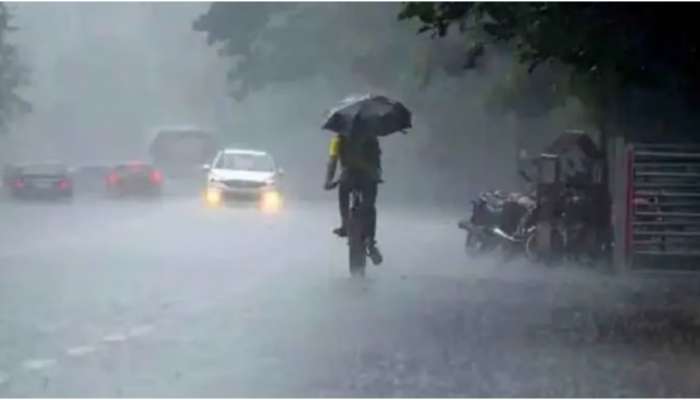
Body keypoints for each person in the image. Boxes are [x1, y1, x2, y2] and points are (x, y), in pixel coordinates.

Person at [323, 132, 383, 265]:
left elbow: (332, 161)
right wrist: (377, 176)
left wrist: (328, 181)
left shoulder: (338, 139)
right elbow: (377, 161)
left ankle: (344, 225)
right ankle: (370, 240)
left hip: (348, 177)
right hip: (368, 178)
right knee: (370, 205)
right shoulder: (371, 137)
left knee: (343, 196)